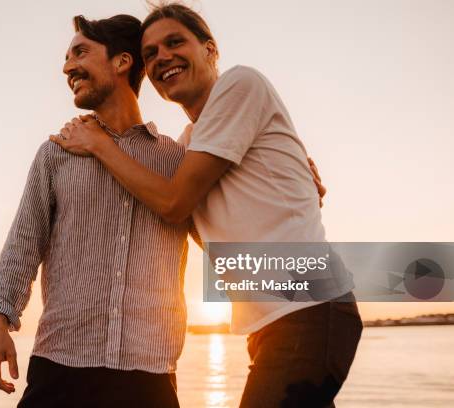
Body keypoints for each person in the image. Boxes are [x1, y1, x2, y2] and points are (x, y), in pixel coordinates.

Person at [50, 3, 363, 407]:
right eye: (151, 54)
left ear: (210, 50)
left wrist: (99, 144)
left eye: (175, 42)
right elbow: (164, 206)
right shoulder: (188, 147)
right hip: (269, 325)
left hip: (311, 310)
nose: (163, 57)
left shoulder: (241, 84)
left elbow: (173, 202)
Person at [0, 14, 188, 408]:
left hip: (150, 375)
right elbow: (24, 242)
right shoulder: (56, 153)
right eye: (66, 56)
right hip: (60, 366)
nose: (66, 67)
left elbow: (221, 225)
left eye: (80, 52)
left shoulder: (176, 161)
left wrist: (291, 172)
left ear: (122, 61)